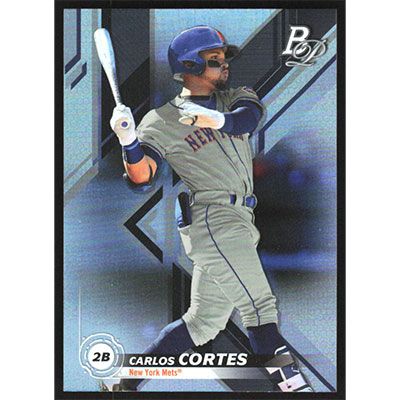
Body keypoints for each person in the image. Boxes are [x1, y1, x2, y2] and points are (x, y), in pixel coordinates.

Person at [105, 26, 313, 393]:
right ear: (189, 65)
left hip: (240, 219)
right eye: (214, 59)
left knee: (202, 323)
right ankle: (298, 390)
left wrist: (216, 120)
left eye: (223, 58)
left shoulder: (235, 96)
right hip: (214, 218)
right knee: (260, 308)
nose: (224, 65)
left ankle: (123, 383)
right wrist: (129, 141)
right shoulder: (161, 121)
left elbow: (247, 118)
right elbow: (142, 177)